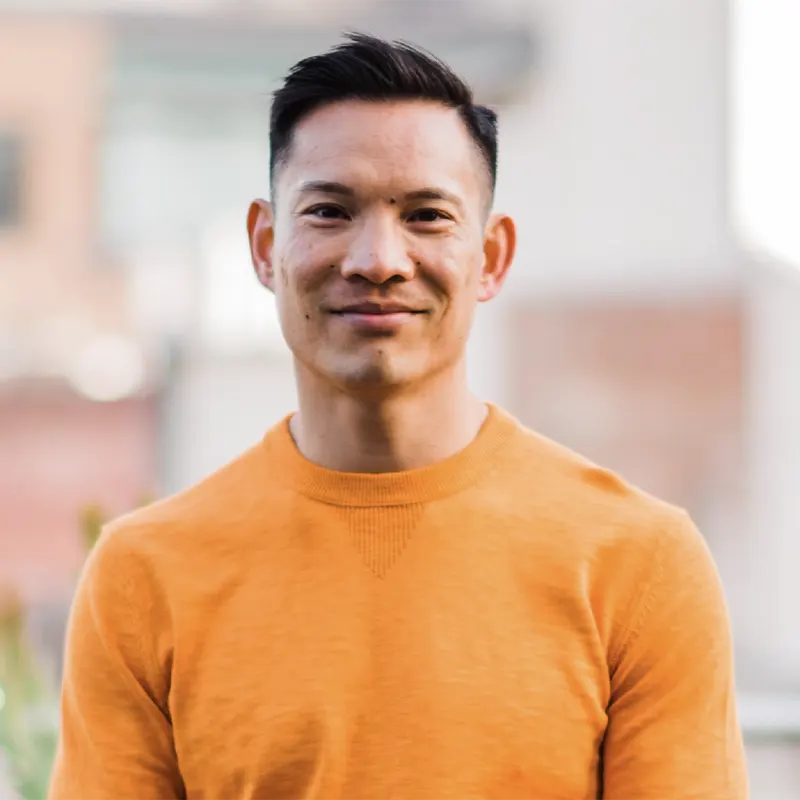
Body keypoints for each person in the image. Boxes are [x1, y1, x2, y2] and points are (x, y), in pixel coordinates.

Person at [49, 33, 748, 799]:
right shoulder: (143, 578)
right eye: (329, 211)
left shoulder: (637, 564)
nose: (378, 259)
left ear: (492, 256)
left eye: (425, 215)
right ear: (264, 245)